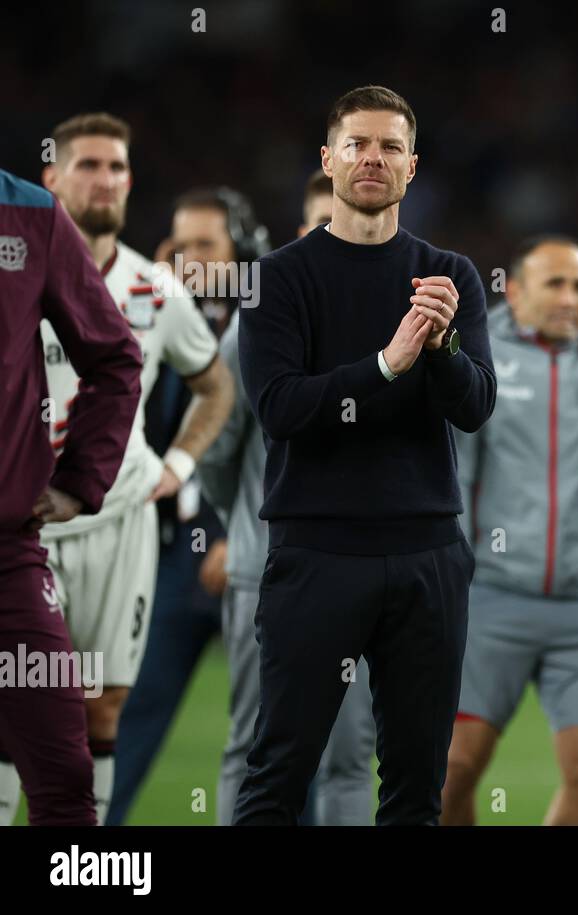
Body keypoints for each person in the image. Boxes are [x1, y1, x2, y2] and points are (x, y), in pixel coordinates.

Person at [234, 85, 495, 825]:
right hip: (317, 551)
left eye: (388, 146)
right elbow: (280, 409)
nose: (372, 158)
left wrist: (440, 351)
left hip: (429, 554)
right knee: (279, 773)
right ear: (328, 159)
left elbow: (475, 408)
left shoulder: (450, 275)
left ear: (413, 167)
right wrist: (387, 364)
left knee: (417, 784)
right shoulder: (280, 278)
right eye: (357, 144)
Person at [0, 114, 233, 826]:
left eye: (117, 168)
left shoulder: (155, 289)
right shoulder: (28, 244)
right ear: (53, 176)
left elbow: (214, 382)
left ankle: (91, 854)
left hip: (107, 514)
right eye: (89, 166)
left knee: (95, 703)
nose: (104, 180)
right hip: (25, 520)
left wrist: (178, 465)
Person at [442, 236, 578, 826]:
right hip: (490, 597)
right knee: (452, 768)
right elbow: (454, 469)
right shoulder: (474, 349)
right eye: (555, 284)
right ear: (517, 288)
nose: (571, 298)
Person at [198, 171, 376, 826]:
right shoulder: (251, 328)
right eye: (324, 221)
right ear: (302, 233)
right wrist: (244, 528)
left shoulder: (400, 335)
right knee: (255, 749)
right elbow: (214, 457)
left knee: (348, 755)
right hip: (265, 571)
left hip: (360, 577)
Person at [107, 185, 270, 825]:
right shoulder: (148, 317)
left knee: (280, 742)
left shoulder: (276, 322)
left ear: (244, 252)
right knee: (122, 721)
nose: (192, 258)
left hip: (258, 552)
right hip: (171, 556)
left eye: (209, 244)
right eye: (183, 246)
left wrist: (241, 531)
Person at [0, 165, 142, 826]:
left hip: (9, 561)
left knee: (63, 774)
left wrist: (79, 481)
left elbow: (115, 357)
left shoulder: (29, 213)